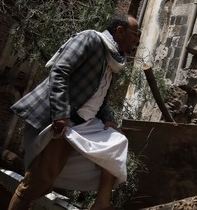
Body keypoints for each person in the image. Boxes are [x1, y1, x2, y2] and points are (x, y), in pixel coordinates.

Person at [8, 15, 141, 210]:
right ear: (120, 31)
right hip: (67, 120)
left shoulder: (112, 59)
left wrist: (107, 118)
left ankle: (102, 203)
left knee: (117, 143)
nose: (137, 39)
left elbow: (98, 95)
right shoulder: (90, 39)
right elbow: (59, 71)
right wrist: (60, 113)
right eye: (135, 33)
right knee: (37, 184)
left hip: (86, 123)